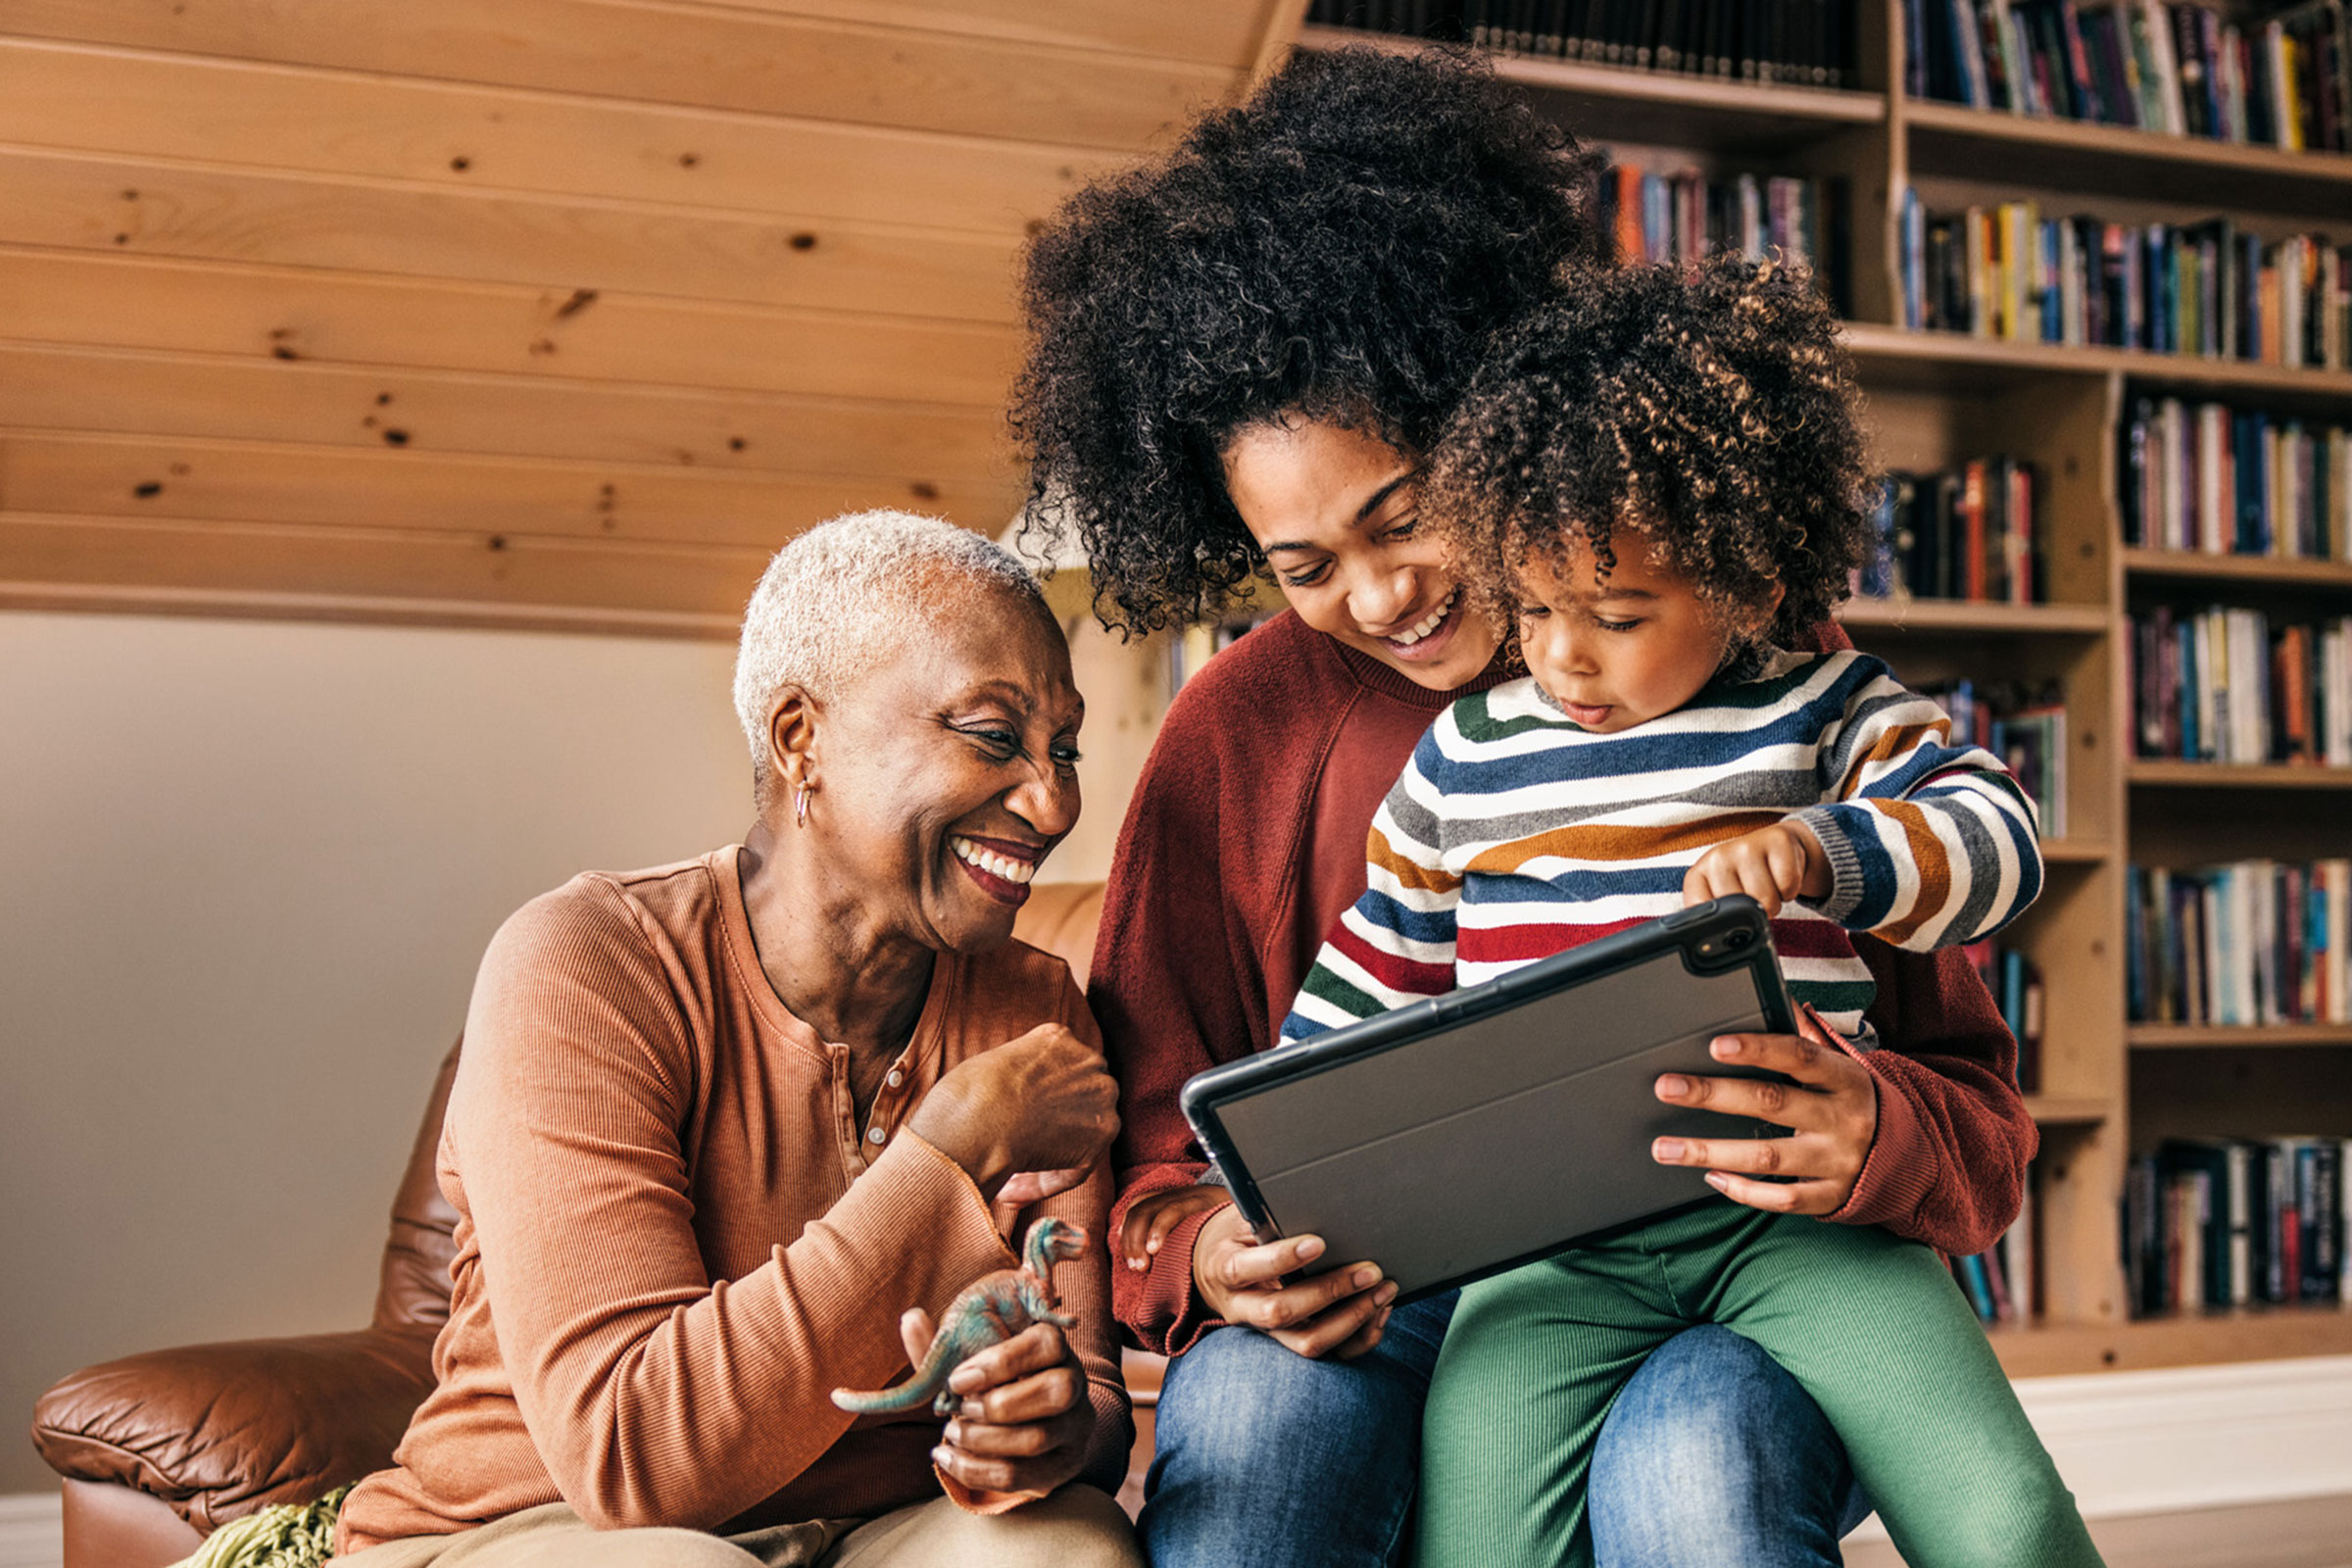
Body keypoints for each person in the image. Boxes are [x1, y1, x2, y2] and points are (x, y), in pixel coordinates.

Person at [1013, 44, 2039, 1568]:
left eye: (1405, 513)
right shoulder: (1231, 738)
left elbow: (1972, 1098)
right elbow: (1167, 1147)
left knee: (1692, 1462)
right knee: (1250, 1433)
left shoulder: (1754, 673)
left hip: (1742, 1262)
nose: (1378, 594)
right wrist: (1215, 1251)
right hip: (1394, 1300)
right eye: (1303, 569)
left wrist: (1872, 1126)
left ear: (1489, 427)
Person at [1278, 255, 2099, 1568]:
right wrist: (1268, 1154)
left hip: (1799, 1227)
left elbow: (1996, 844)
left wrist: (1830, 854)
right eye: (1534, 607)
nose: (1561, 656)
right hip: (1548, 1258)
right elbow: (1364, 992)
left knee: (2001, 1518)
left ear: (1752, 580)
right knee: (1478, 1549)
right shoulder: (1466, 755)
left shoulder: (1825, 708)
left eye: (1614, 613)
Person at [328, 513, 1142, 1568]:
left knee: (1064, 1550)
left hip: (884, 1526)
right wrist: (944, 1154)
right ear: (802, 738)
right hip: (539, 1525)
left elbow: (1093, 1396)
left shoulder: (1034, 1013)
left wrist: (1049, 1426)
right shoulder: (585, 965)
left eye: (1063, 748)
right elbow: (634, 1456)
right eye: (993, 736)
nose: (1053, 800)